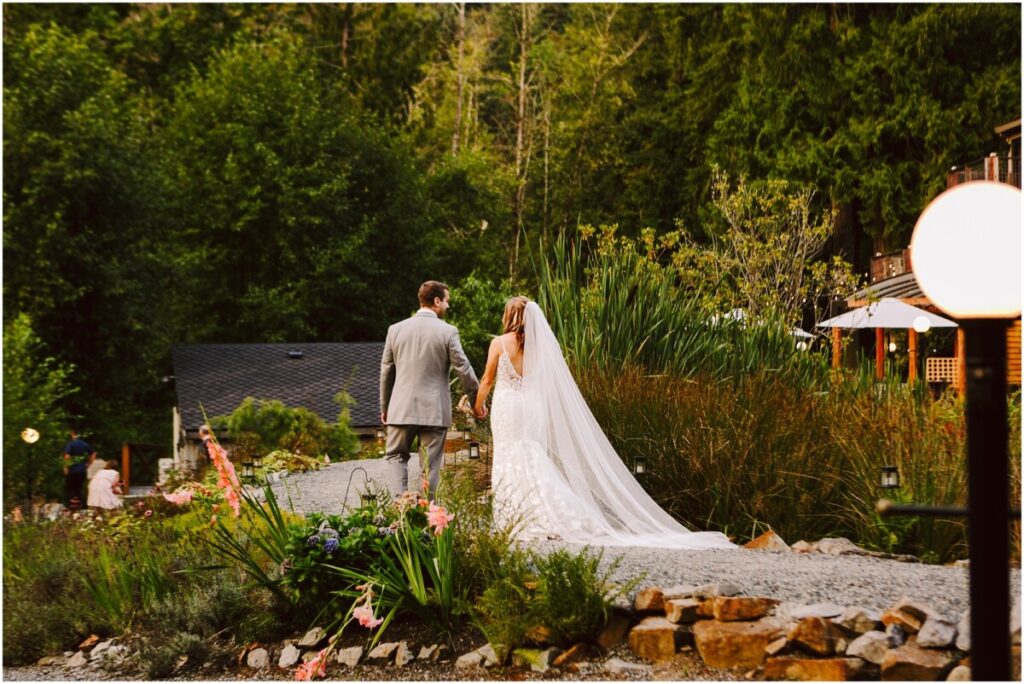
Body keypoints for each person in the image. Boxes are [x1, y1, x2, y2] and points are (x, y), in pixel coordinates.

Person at [474, 297, 735, 550]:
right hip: (532, 407)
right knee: (532, 454)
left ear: (509, 316)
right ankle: (550, 512)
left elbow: (487, 380)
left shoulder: (499, 343)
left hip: (508, 407)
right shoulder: (541, 347)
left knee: (509, 454)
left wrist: (478, 405)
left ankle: (517, 517)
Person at [380, 280, 480, 501]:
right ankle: (427, 517)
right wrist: (477, 400)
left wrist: (385, 407)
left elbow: (387, 370)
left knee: (396, 456)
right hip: (434, 412)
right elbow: (463, 368)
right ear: (436, 301)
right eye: (447, 301)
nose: (448, 306)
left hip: (400, 408)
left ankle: (400, 511)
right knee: (431, 466)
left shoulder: (395, 330)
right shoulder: (448, 332)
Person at [63, 429, 96, 509]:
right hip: (82, 470)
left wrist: (65, 467)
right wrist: (89, 463)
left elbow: (67, 456)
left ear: (72, 434)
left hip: (73, 470)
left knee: (70, 489)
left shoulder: (71, 444)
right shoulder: (84, 444)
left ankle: (71, 507)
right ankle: (82, 507)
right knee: (79, 489)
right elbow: (93, 453)